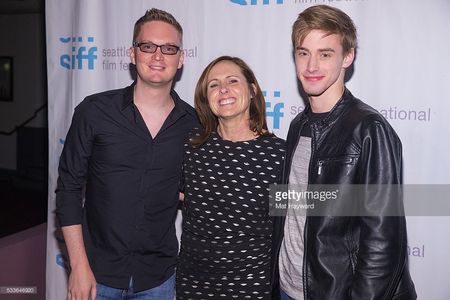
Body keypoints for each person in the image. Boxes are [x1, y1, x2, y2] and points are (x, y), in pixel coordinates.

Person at [271, 5, 417, 300]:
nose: (311, 66)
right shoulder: (298, 125)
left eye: (325, 54)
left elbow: (383, 243)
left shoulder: (368, 129)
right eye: (303, 53)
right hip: (289, 289)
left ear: (347, 58)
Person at [55, 8, 198, 300]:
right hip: (95, 275)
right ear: (132, 54)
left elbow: (196, 188)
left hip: (159, 279)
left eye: (169, 48)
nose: (158, 56)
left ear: (180, 59)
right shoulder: (94, 111)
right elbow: (68, 188)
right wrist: (78, 265)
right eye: (148, 46)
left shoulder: (195, 124)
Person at [176, 56, 285, 299]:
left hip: (252, 287)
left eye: (232, 80)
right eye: (213, 85)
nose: (223, 89)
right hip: (193, 286)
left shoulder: (279, 155)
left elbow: (308, 214)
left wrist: (382, 200)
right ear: (206, 98)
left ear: (252, 90)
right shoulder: (192, 147)